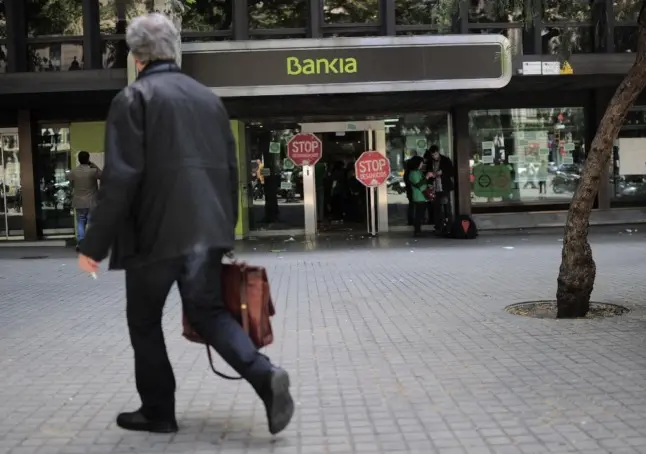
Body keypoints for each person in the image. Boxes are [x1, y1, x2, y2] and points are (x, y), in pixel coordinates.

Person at [76, 13, 294, 436]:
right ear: (173, 50)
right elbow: (229, 172)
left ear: (136, 56)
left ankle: (158, 411)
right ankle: (264, 375)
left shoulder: (133, 99)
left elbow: (121, 178)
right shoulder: (208, 100)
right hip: (206, 232)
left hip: (153, 237)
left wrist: (93, 245)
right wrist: (224, 231)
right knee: (208, 312)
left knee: (144, 321)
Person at [66, 151, 101, 250]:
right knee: (91, 222)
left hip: (79, 201)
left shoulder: (73, 171)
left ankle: (81, 241)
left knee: (81, 221)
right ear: (88, 159)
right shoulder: (93, 171)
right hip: (92, 201)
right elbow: (103, 176)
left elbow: (70, 182)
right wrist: (93, 165)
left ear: (78, 159)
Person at [427, 145, 454, 234]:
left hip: (444, 187)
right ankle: (438, 227)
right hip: (435, 187)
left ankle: (449, 227)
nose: (434, 156)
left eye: (435, 154)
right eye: (432, 155)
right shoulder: (430, 161)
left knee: (447, 207)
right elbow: (427, 173)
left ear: (438, 152)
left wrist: (442, 172)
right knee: (437, 208)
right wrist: (430, 176)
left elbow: (451, 172)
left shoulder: (445, 160)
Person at [407, 156, 430, 237]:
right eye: (421, 163)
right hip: (418, 196)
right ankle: (417, 230)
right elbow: (418, 184)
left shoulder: (418, 172)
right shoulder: (413, 173)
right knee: (419, 214)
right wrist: (427, 177)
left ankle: (418, 230)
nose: (422, 164)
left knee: (421, 214)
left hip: (422, 196)